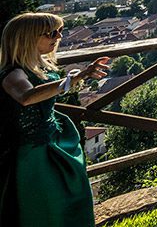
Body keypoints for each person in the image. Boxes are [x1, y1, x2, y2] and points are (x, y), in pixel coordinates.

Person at [1, 12, 110, 227]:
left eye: (59, 31)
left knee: (68, 202)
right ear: (27, 38)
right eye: (51, 33)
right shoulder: (12, 74)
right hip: (31, 153)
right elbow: (26, 97)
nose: (58, 37)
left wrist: (74, 78)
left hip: (54, 143)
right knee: (45, 209)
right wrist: (75, 78)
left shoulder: (37, 67)